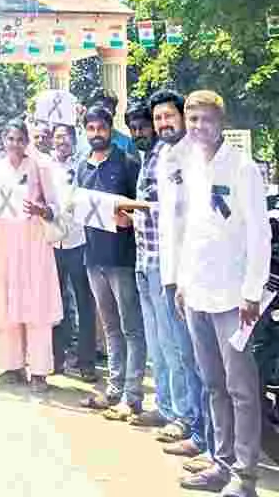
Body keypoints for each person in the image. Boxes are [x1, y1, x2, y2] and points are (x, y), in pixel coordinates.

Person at [161, 90, 270, 497]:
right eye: (192, 120)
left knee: (241, 389)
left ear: (221, 122)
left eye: (206, 119)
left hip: (234, 298)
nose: (198, 127)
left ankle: (245, 476)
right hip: (197, 293)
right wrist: (180, 281)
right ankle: (220, 465)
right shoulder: (188, 165)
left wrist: (252, 292)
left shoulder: (242, 168)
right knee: (212, 384)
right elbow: (189, 229)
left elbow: (259, 233)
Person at [143, 89, 209, 463]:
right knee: (183, 354)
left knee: (201, 360)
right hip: (169, 270)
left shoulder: (198, 156)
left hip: (195, 274)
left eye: (169, 116)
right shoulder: (165, 156)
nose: (163, 123)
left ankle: (205, 438)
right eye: (158, 119)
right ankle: (194, 426)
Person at [75, 106, 145, 419]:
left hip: (122, 258)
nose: (96, 134)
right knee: (111, 328)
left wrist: (129, 218)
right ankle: (115, 390)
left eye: (100, 128)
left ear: (110, 128)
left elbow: (141, 208)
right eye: (90, 129)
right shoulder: (82, 166)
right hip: (93, 257)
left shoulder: (128, 162)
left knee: (131, 328)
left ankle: (133, 395)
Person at [0, 119, 63, 393]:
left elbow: (55, 206)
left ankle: (39, 372)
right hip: (6, 243)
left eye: (20, 139)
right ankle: (12, 366)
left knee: (36, 304)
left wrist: (42, 210)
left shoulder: (39, 167)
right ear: (3, 141)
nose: (15, 144)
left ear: (27, 141)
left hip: (34, 243)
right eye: (11, 139)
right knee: (8, 302)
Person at [126, 100, 179, 428]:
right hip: (143, 258)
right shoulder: (147, 158)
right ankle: (164, 405)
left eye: (143, 126)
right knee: (156, 343)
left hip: (163, 260)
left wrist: (132, 207)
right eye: (133, 129)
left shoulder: (169, 157)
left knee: (171, 343)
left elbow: (171, 208)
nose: (139, 133)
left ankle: (179, 414)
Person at [48, 124, 98, 382]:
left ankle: (86, 361)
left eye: (66, 137)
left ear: (74, 140)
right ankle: (56, 358)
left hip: (80, 241)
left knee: (84, 303)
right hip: (52, 243)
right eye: (58, 137)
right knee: (54, 303)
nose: (62, 142)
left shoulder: (84, 165)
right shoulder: (45, 167)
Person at [89, 90, 136, 157]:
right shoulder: (84, 142)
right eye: (101, 110)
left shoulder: (126, 143)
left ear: (114, 113)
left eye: (108, 110)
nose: (104, 114)